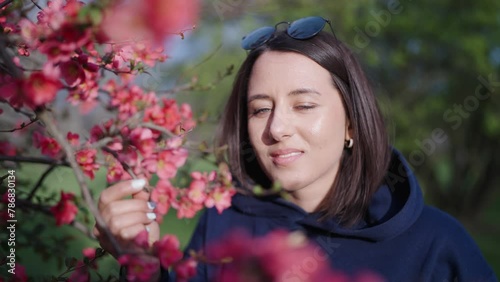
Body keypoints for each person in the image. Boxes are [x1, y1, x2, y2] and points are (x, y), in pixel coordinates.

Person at [95, 16, 497, 282]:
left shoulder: (436, 245)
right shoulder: (221, 226)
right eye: (260, 109)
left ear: (352, 123)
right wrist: (144, 264)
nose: (277, 128)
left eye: (304, 105)